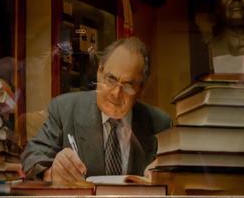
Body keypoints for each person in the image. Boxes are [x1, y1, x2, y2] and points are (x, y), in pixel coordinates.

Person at [21, 37, 171, 185]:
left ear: (141, 89)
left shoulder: (160, 124)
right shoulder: (65, 109)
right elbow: (32, 156)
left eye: (128, 85)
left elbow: (177, 173)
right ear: (99, 72)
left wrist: (169, 172)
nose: (116, 93)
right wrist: (52, 173)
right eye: (111, 79)